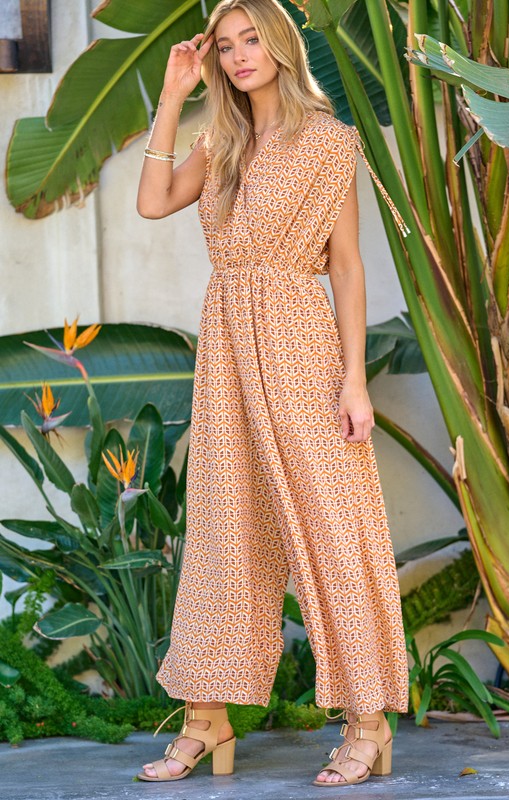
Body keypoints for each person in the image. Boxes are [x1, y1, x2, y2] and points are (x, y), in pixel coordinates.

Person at [136, 0, 409, 787]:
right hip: (225, 345)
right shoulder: (220, 140)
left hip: (299, 341)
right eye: (225, 46)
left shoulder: (328, 141)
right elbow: (153, 201)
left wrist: (353, 380)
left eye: (251, 39)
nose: (238, 55)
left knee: (333, 528)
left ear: (282, 44)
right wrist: (173, 94)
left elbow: (347, 266)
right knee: (225, 531)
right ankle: (206, 718)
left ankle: (368, 722)